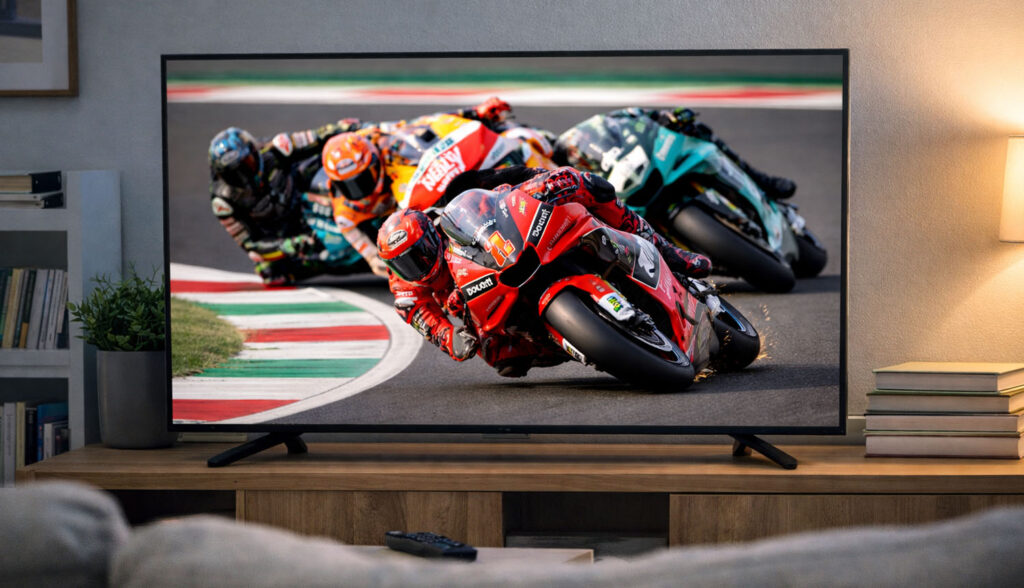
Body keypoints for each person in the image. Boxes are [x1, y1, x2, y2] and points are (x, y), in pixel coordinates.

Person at [375, 166, 713, 376]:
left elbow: (500, 193)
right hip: (486, 300)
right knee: (500, 358)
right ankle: (581, 342)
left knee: (588, 186)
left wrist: (542, 184)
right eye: (407, 263)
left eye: (420, 254)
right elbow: (421, 316)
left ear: (431, 233)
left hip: (514, 249)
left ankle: (667, 253)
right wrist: (451, 339)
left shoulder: (451, 216)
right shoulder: (404, 285)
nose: (418, 265)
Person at [320, 97, 546, 277]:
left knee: (515, 135)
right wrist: (374, 258)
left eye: (361, 179)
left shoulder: (381, 140)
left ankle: (548, 166)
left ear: (373, 161)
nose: (358, 189)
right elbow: (368, 253)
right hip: (398, 222)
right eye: (348, 184)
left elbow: (425, 122)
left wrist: (475, 112)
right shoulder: (346, 210)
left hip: (427, 177)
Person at [208, 122, 359, 284]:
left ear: (254, 151)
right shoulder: (223, 201)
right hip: (286, 232)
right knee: (270, 273)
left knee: (331, 155)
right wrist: (289, 245)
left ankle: (355, 199)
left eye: (247, 165)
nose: (244, 177)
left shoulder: (275, 148)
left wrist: (354, 129)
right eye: (234, 175)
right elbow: (250, 245)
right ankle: (337, 258)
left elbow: (320, 135)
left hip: (302, 193)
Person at [561, 107, 796, 200]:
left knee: (698, 131)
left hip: (649, 161)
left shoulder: (605, 124)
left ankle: (761, 180)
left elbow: (638, 115)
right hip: (627, 194)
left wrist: (666, 117)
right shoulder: (563, 163)